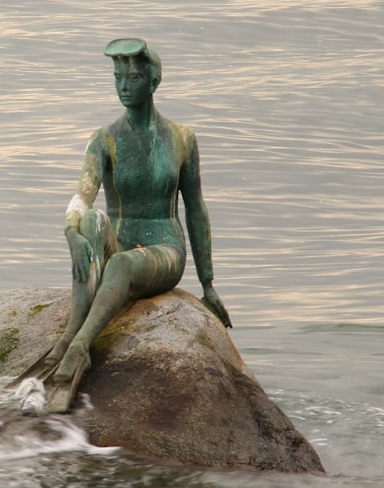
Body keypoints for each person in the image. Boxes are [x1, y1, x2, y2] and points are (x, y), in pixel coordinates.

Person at [24, 38, 231, 412]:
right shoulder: (104, 139)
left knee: (120, 265)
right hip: (118, 239)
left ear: (153, 82)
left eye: (133, 78)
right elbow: (83, 194)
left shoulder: (182, 139)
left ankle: (79, 347)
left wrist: (208, 284)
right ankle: (73, 330)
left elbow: (196, 208)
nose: (123, 86)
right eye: (118, 77)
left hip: (163, 249)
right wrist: (71, 231)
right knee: (90, 221)